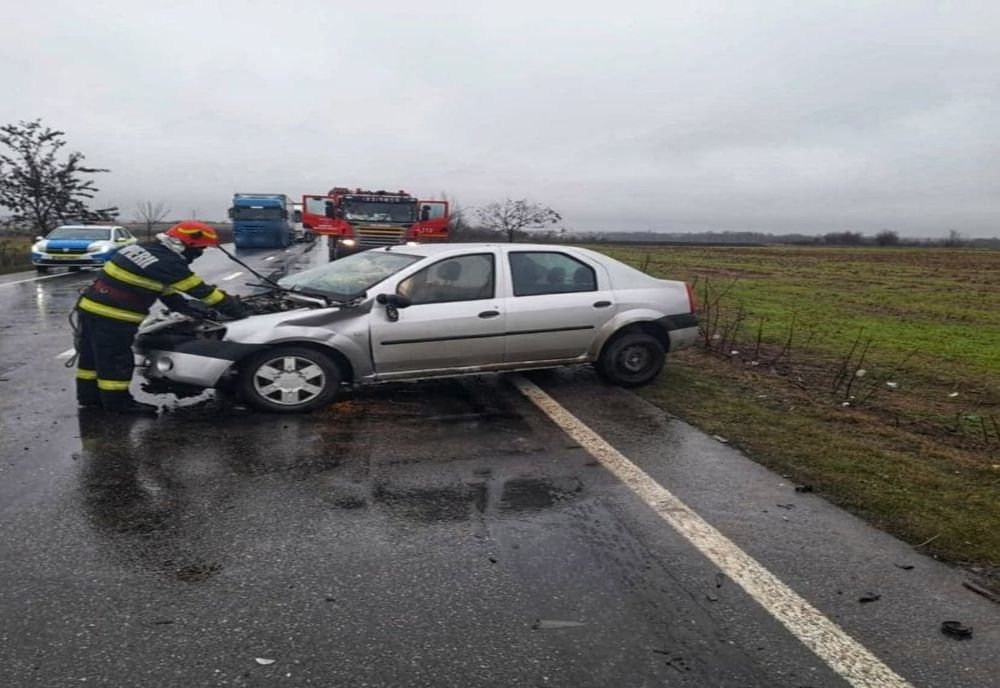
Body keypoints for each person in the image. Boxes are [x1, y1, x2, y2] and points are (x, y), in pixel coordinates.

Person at [74, 220, 245, 414]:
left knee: (91, 358)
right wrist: (236, 309)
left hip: (91, 309)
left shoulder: (144, 249)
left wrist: (184, 307)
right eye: (198, 249)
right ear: (186, 244)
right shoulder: (168, 262)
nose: (198, 254)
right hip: (114, 315)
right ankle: (119, 404)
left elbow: (161, 287)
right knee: (115, 359)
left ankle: (89, 398)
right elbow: (203, 292)